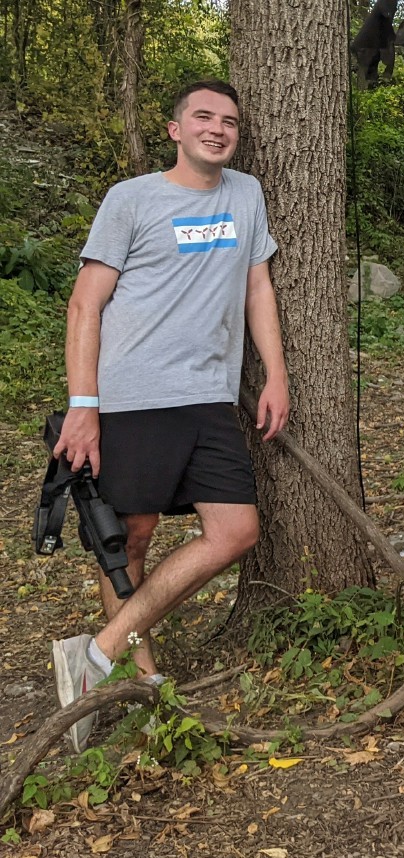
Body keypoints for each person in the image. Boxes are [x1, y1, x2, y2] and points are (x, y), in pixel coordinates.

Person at [50, 79, 289, 751]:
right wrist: (84, 406)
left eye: (230, 122)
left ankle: (97, 652)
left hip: (210, 396)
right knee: (132, 537)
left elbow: (256, 285)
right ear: (175, 129)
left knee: (236, 531)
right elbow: (84, 305)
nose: (218, 129)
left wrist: (276, 373)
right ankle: (143, 677)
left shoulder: (246, 193)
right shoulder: (131, 200)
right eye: (204, 117)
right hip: (134, 394)